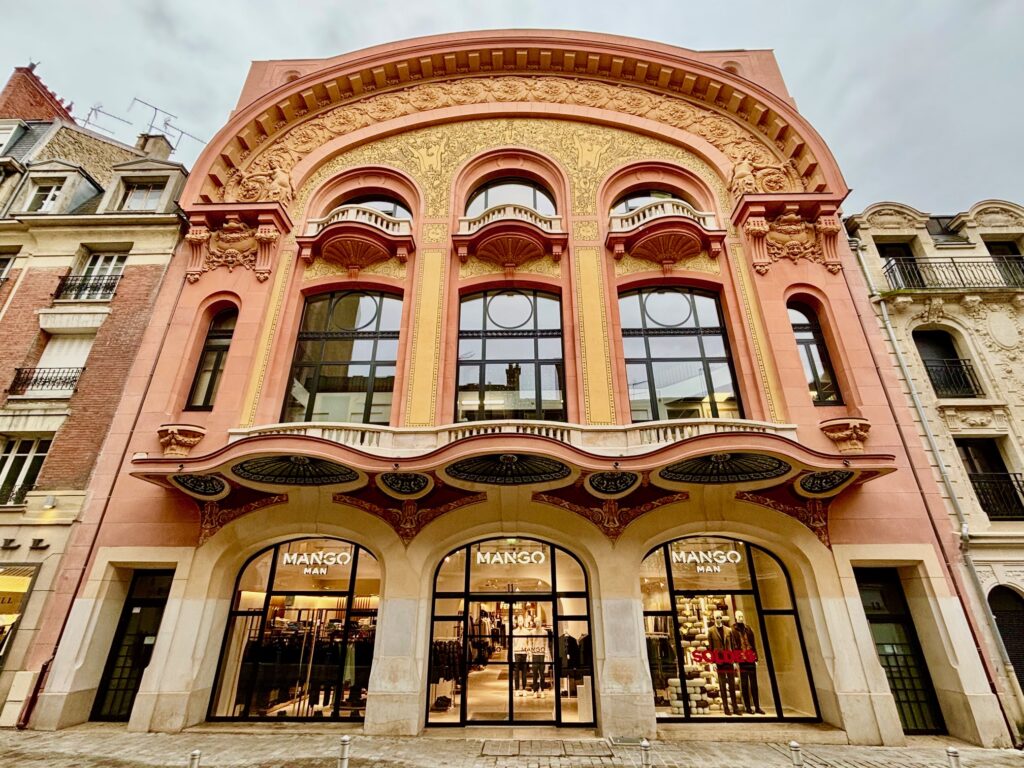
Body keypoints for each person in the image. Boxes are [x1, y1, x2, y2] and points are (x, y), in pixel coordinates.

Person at [732, 610, 765, 714]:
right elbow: (733, 646)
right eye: (739, 616)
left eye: (742, 616)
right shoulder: (733, 630)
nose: (741, 618)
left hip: (750, 658)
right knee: (745, 684)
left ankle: (757, 706)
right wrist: (735, 660)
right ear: (736, 617)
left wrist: (756, 658)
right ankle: (748, 707)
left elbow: (753, 644)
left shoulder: (748, 629)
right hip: (742, 660)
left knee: (754, 684)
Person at [707, 611, 739, 716]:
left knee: (732, 684)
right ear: (714, 619)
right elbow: (710, 648)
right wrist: (713, 662)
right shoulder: (711, 631)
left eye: (720, 617)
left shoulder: (728, 630)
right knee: (722, 685)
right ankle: (726, 707)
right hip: (719, 661)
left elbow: (733, 646)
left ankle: (735, 707)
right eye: (717, 618)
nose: (719, 619)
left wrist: (734, 660)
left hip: (729, 660)